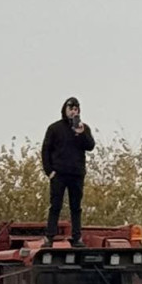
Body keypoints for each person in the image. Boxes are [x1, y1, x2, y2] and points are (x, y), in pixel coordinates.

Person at [39, 96, 96, 245]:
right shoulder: (54, 128)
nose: (73, 111)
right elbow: (46, 150)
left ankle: (77, 237)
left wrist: (81, 132)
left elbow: (90, 146)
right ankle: (49, 236)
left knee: (76, 207)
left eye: (76, 109)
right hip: (59, 174)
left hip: (76, 173)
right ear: (65, 109)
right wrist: (49, 171)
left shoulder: (84, 128)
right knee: (55, 205)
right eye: (71, 108)